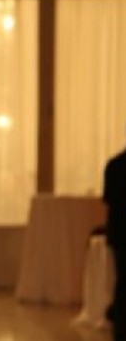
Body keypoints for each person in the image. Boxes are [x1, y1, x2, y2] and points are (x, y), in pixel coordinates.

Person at [104, 143, 126, 341]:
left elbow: (108, 199)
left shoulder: (114, 165)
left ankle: (120, 328)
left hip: (120, 232)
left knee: (122, 281)